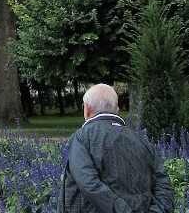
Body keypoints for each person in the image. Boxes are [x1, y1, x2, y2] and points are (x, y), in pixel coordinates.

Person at [59, 83, 174, 213]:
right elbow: (163, 185)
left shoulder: (82, 138)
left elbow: (89, 183)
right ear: (117, 110)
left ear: (86, 109)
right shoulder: (142, 141)